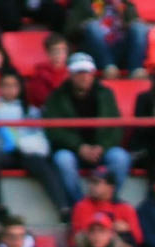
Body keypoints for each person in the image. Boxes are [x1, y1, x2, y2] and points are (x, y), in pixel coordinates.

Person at [0, 70, 74, 219]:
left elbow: (39, 135)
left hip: (25, 152)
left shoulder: (30, 110)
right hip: (0, 152)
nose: (10, 89)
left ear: (20, 88)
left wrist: (25, 144)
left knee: (42, 164)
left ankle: (63, 208)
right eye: (6, 85)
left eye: (14, 85)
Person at [43, 53, 132, 202]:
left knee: (121, 158)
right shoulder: (56, 97)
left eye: (87, 72)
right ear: (70, 74)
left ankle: (108, 201)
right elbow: (54, 131)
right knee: (63, 159)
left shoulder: (106, 94)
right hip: (73, 151)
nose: (84, 77)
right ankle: (79, 205)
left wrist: (102, 146)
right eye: (79, 73)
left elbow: (116, 127)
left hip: (101, 150)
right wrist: (79, 147)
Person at [67, 165, 141, 247]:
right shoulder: (82, 206)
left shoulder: (125, 208)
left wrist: (128, 229)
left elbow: (138, 238)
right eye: (90, 182)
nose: (91, 186)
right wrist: (112, 227)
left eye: (96, 182)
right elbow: (82, 237)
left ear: (111, 188)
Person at [72, 0, 148, 76]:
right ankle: (109, 67)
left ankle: (136, 70)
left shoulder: (125, 4)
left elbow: (134, 28)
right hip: (97, 52)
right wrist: (86, 26)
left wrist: (122, 14)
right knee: (93, 26)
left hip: (121, 50)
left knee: (139, 27)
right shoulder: (84, 3)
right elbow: (70, 31)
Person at [25, 32, 71, 108]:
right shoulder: (41, 73)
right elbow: (40, 98)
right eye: (56, 51)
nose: (60, 55)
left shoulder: (70, 73)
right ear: (48, 53)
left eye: (63, 51)